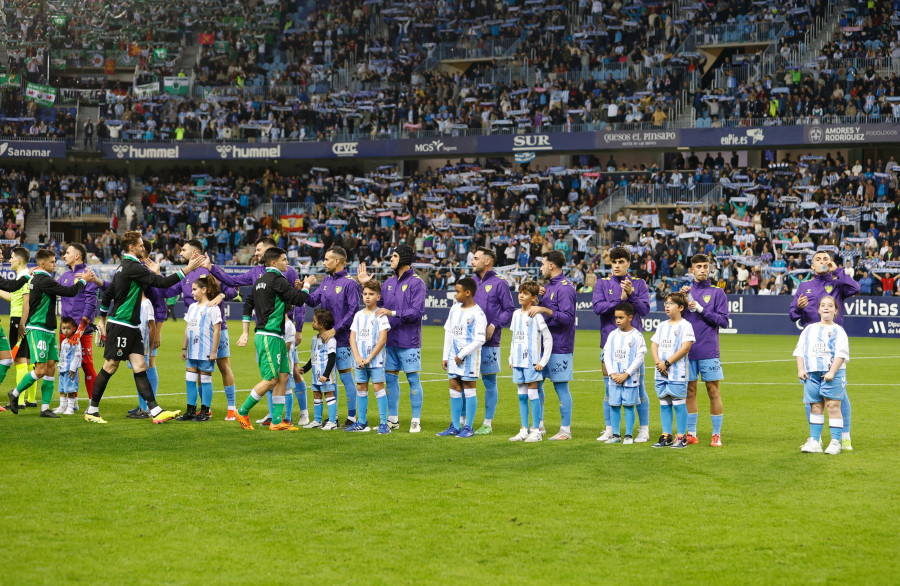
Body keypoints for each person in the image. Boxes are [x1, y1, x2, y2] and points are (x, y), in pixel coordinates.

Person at [86, 231, 204, 424]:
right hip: (122, 324)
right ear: (132, 247)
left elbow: (108, 294)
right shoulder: (133, 267)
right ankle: (92, 410)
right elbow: (162, 282)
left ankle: (155, 411)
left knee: (141, 366)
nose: (144, 248)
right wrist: (188, 269)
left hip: (130, 326)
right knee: (110, 366)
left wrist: (102, 319)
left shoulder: (123, 267)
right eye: (141, 245)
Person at [207, 236, 305, 418]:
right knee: (272, 376)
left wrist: (298, 329)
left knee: (286, 374)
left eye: (259, 249)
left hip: (285, 330)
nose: (256, 253)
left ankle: (288, 416)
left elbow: (299, 302)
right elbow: (232, 281)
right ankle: (260, 414)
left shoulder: (288, 272)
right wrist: (211, 268)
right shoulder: (256, 273)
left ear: (269, 251)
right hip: (267, 332)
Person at [235, 247, 315, 431]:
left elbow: (248, 306)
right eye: (284, 259)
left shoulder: (260, 281)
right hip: (269, 335)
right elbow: (299, 300)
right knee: (271, 379)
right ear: (273, 263)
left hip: (275, 335)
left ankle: (277, 421)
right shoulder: (278, 279)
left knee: (283, 377)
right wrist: (307, 285)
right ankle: (243, 410)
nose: (287, 262)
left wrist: (245, 331)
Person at [6, 249, 94, 418]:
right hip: (38, 328)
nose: (56, 264)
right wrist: (84, 281)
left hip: (47, 329)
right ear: (43, 263)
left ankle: (45, 408)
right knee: (40, 369)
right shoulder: (43, 279)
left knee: (51, 366)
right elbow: (69, 291)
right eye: (53, 262)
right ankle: (15, 394)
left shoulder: (38, 276)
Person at [788, 250, 858, 451]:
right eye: (817, 259)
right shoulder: (804, 286)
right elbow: (792, 314)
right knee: (812, 394)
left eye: (825, 259)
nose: (822, 262)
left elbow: (856, 287)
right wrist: (799, 308)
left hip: (833, 341)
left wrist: (838, 270)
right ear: (812, 266)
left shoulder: (837, 282)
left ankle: (844, 436)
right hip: (810, 341)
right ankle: (815, 438)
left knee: (839, 394)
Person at [164, 240, 238, 419]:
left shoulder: (210, 268)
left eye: (183, 250)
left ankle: (231, 407)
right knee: (197, 371)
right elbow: (167, 292)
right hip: (196, 330)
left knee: (223, 366)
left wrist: (221, 295)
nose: (180, 253)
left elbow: (233, 290)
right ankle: (205, 408)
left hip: (216, 328)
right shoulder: (184, 274)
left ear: (195, 252)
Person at [357, 244, 426, 433]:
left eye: (394, 256)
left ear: (403, 258)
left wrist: (392, 312)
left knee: (413, 379)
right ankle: (393, 419)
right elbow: (375, 304)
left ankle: (415, 420)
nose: (391, 259)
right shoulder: (388, 283)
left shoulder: (417, 283)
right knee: (391, 379)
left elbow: (417, 312)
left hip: (409, 340)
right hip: (390, 340)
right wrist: (364, 284)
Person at [592, 246, 651, 442]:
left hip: (633, 347)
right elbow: (598, 308)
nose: (617, 266)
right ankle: (610, 429)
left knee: (639, 389)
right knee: (609, 389)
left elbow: (644, 310)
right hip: (608, 344)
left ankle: (643, 429)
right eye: (614, 262)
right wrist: (620, 299)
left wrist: (631, 294)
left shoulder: (639, 283)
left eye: (621, 262)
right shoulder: (602, 283)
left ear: (628, 263)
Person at [304, 246, 362, 429]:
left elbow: (353, 310)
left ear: (337, 261)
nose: (324, 262)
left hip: (343, 339)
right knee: (330, 379)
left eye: (327, 259)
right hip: (325, 338)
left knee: (345, 377)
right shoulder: (327, 280)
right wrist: (303, 290)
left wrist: (335, 330)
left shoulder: (349, 283)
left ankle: (352, 417)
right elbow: (314, 300)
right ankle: (332, 418)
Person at [681, 254, 729, 447]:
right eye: (698, 266)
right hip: (687, 350)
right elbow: (675, 318)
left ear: (710, 269)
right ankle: (691, 433)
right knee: (689, 391)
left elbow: (724, 321)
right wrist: (681, 299)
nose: (702, 270)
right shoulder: (685, 292)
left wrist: (701, 309)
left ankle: (716, 434)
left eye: (705, 266)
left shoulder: (717, 293)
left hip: (709, 350)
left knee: (713, 391)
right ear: (691, 270)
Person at [467, 246, 515, 435]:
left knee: (489, 383)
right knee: (465, 382)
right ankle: (462, 421)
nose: (472, 261)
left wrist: (494, 324)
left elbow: (509, 310)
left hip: (490, 342)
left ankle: (487, 423)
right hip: (468, 343)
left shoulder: (499, 283)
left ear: (487, 261)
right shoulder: (469, 282)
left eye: (476, 258)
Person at [794, 296, 849, 455]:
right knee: (815, 406)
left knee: (833, 406)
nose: (826, 308)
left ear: (836, 311)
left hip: (833, 373)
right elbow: (800, 351)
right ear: (818, 310)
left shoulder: (839, 330)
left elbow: (841, 354)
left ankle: (835, 442)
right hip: (812, 374)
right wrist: (800, 369)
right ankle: (815, 442)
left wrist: (832, 371)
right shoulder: (809, 329)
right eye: (823, 305)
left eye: (830, 306)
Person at [530, 250, 576, 440]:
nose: (540, 268)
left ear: (551, 266)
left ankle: (565, 430)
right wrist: (538, 299)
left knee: (560, 387)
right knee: (537, 384)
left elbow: (567, 318)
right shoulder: (549, 287)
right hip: (542, 346)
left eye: (542, 264)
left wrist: (544, 308)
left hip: (560, 346)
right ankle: (539, 425)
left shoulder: (566, 288)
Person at [437, 277, 487, 438]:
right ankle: (455, 425)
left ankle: (469, 427)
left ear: (468, 293)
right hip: (453, 357)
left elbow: (480, 339)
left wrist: (461, 354)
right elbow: (449, 333)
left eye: (458, 292)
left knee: (469, 388)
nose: (455, 295)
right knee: (454, 388)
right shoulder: (454, 309)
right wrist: (446, 355)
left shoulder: (478, 314)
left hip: (469, 358)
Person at [508, 281, 552, 443]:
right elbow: (514, 339)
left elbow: (548, 339)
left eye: (525, 293)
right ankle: (523, 429)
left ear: (534, 298)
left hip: (531, 362)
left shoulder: (536, 316)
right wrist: (511, 357)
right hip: (518, 362)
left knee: (533, 394)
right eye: (520, 292)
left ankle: (536, 430)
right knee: (521, 396)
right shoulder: (515, 314)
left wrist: (543, 361)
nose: (521, 295)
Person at [649, 292, 695, 449]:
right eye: (666, 304)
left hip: (677, 372)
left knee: (678, 403)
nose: (667, 306)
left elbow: (685, 347)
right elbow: (654, 345)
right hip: (660, 372)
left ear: (681, 307)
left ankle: (681, 437)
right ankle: (666, 435)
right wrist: (658, 363)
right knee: (664, 403)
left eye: (671, 303)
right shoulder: (662, 325)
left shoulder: (685, 325)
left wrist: (667, 363)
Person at [58, 243, 100, 406]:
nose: (64, 255)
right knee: (66, 364)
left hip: (81, 331)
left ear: (77, 256)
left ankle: (93, 402)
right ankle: (72, 402)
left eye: (67, 252)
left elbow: (91, 304)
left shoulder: (88, 275)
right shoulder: (65, 276)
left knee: (86, 364)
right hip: (65, 330)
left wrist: (81, 328)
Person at [348, 280, 391, 434]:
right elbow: (352, 338)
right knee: (361, 387)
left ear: (378, 297)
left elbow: (382, 339)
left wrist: (370, 358)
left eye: (371, 294)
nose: (367, 297)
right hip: (359, 360)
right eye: (365, 294)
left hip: (376, 360)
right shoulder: (358, 315)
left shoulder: (380, 315)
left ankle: (384, 423)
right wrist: (358, 357)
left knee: (378, 387)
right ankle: (362, 422)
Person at [177, 277, 222, 422]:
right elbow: (187, 328)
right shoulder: (192, 307)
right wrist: (184, 347)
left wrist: (214, 351)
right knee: (190, 379)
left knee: (205, 379)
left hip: (206, 351)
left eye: (195, 289)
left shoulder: (213, 308)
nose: (192, 292)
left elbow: (217, 331)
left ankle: (205, 411)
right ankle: (190, 410)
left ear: (204, 290)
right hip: (192, 351)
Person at [601, 302, 647, 445]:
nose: (618, 320)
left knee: (628, 406)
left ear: (630, 317)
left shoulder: (637, 336)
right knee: (614, 405)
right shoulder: (613, 335)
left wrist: (626, 374)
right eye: (616, 318)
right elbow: (607, 355)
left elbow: (640, 357)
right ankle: (615, 434)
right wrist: (612, 373)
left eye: (621, 317)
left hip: (630, 379)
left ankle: (628, 435)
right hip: (614, 378)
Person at [6, 247, 38, 409]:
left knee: (19, 360)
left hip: (19, 319)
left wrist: (22, 323)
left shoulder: (24, 276)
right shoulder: (24, 275)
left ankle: (18, 401)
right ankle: (31, 399)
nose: (9, 260)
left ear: (18, 260)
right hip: (24, 319)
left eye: (11, 257)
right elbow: (14, 297)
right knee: (28, 360)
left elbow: (26, 302)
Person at [298, 309, 338, 430]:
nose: (312, 322)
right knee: (316, 394)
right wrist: (305, 368)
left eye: (314, 321)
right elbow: (313, 357)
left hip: (325, 375)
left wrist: (326, 375)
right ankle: (317, 420)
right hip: (316, 374)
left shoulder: (330, 340)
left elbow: (332, 358)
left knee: (328, 394)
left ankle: (332, 422)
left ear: (322, 324)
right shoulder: (315, 338)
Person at [53, 317, 82, 415]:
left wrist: (73, 369)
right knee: (62, 389)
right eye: (64, 328)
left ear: (74, 328)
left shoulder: (75, 341)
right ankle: (62, 406)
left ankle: (70, 407)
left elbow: (77, 355)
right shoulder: (64, 341)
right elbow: (61, 355)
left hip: (70, 370)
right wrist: (59, 365)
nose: (66, 331)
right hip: (63, 369)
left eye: (68, 328)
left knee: (70, 389)